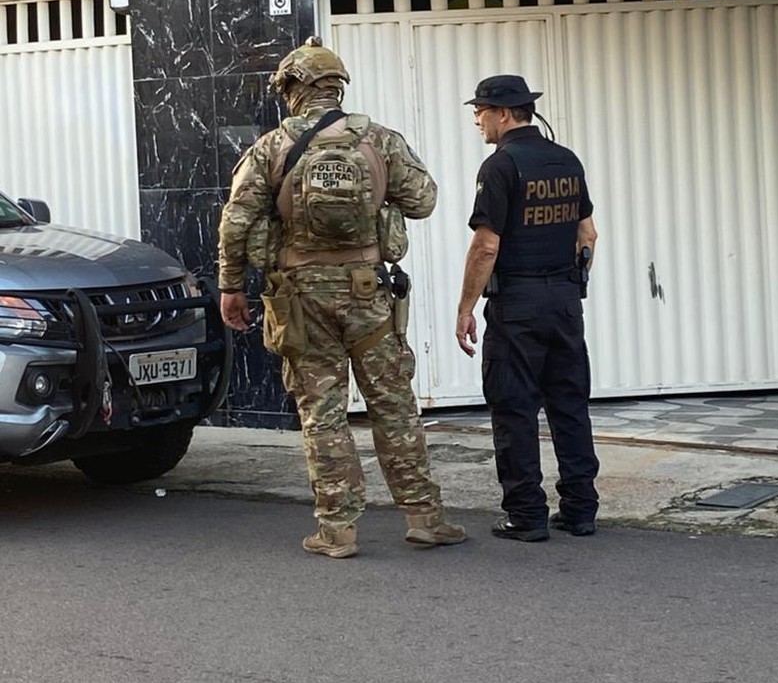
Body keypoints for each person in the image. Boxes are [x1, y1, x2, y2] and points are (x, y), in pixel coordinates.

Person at [217, 37, 466, 559]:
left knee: (323, 413)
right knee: (393, 405)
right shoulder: (379, 140)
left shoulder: (271, 148)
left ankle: (337, 531)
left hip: (300, 300)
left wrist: (230, 287)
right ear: (336, 87)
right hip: (368, 295)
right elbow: (423, 201)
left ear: (294, 88)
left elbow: (235, 222)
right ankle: (425, 519)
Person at [455, 75, 600, 542]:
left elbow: (486, 246)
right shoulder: (567, 160)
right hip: (564, 302)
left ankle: (526, 515)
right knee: (569, 404)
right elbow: (588, 234)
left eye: (480, 110)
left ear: (503, 114)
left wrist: (465, 308)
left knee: (514, 407)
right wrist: (572, 283)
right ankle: (580, 510)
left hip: (517, 304)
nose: (476, 120)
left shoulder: (500, 166)